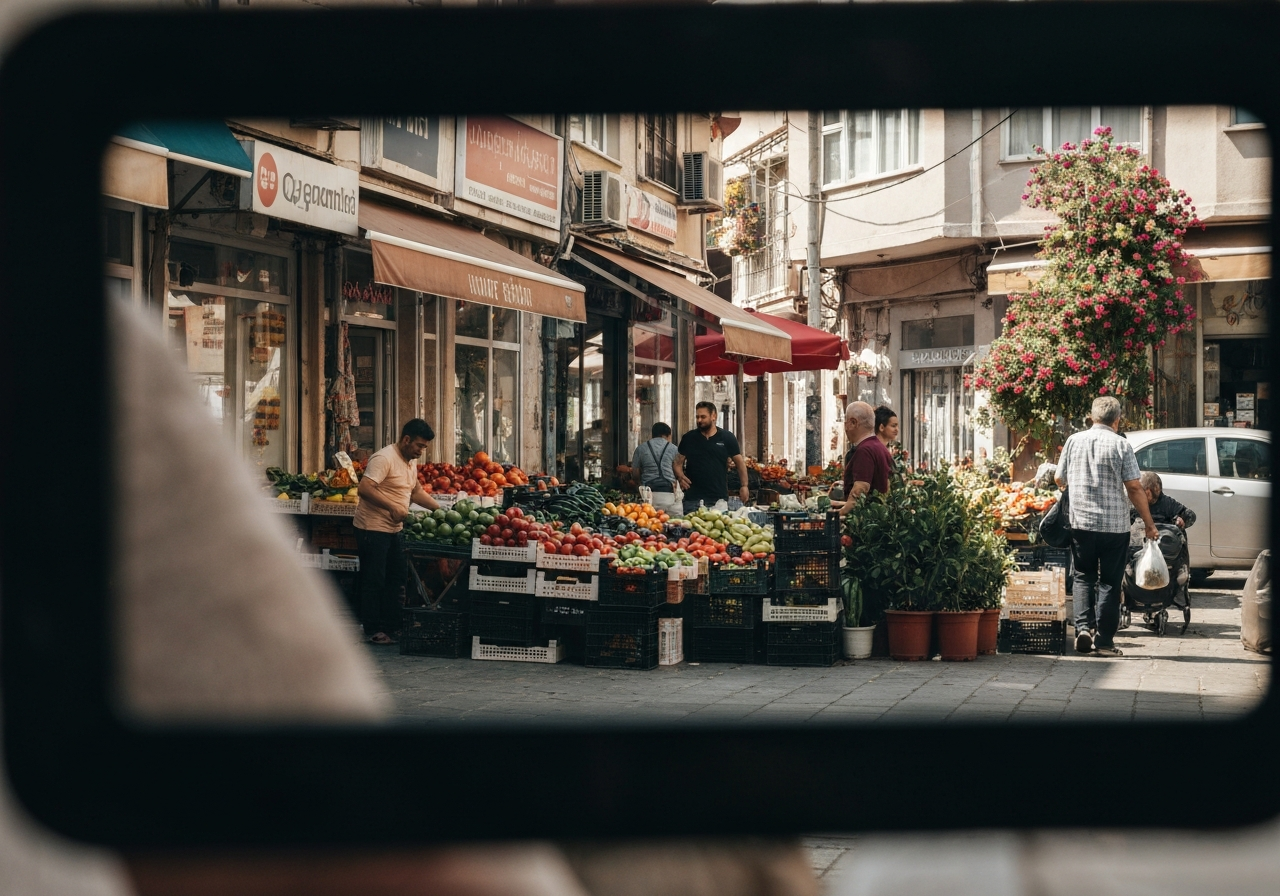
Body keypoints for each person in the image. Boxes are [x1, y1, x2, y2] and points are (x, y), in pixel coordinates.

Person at [1055, 396, 1159, 657]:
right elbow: (1135, 487)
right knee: (1110, 583)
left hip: (1081, 524)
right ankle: (1103, 643)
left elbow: (1059, 477)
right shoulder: (1122, 445)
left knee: (1082, 576)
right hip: (1114, 527)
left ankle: (1082, 628)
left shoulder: (1073, 441)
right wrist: (1149, 524)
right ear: (1117, 420)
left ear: (1091, 418)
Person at [354, 418, 440, 645]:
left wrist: (440, 510)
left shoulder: (410, 461)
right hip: (372, 528)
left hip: (394, 529)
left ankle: (391, 627)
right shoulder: (384, 458)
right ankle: (372, 629)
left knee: (396, 578)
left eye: (425, 447)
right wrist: (392, 506)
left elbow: (416, 491)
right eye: (420, 446)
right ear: (406, 439)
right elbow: (364, 488)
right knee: (375, 580)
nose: (422, 451)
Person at [674, 402, 749, 514]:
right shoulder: (689, 438)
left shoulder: (727, 438)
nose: (699, 420)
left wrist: (744, 486)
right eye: (697, 417)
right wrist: (680, 477)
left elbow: (740, 463)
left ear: (714, 416)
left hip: (718, 499)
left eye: (703, 417)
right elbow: (677, 463)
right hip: (692, 500)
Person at [839, 401, 892, 516]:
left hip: (866, 521)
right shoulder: (880, 447)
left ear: (853, 423)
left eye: (846, 423)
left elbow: (860, 489)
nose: (845, 428)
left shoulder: (865, 450)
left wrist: (838, 515)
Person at [632, 422, 680, 514]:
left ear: (652, 435)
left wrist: (639, 484)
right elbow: (678, 472)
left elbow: (635, 473)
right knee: (670, 524)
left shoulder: (641, 449)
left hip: (648, 494)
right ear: (669, 435)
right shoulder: (674, 449)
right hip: (669, 494)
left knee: (649, 523)